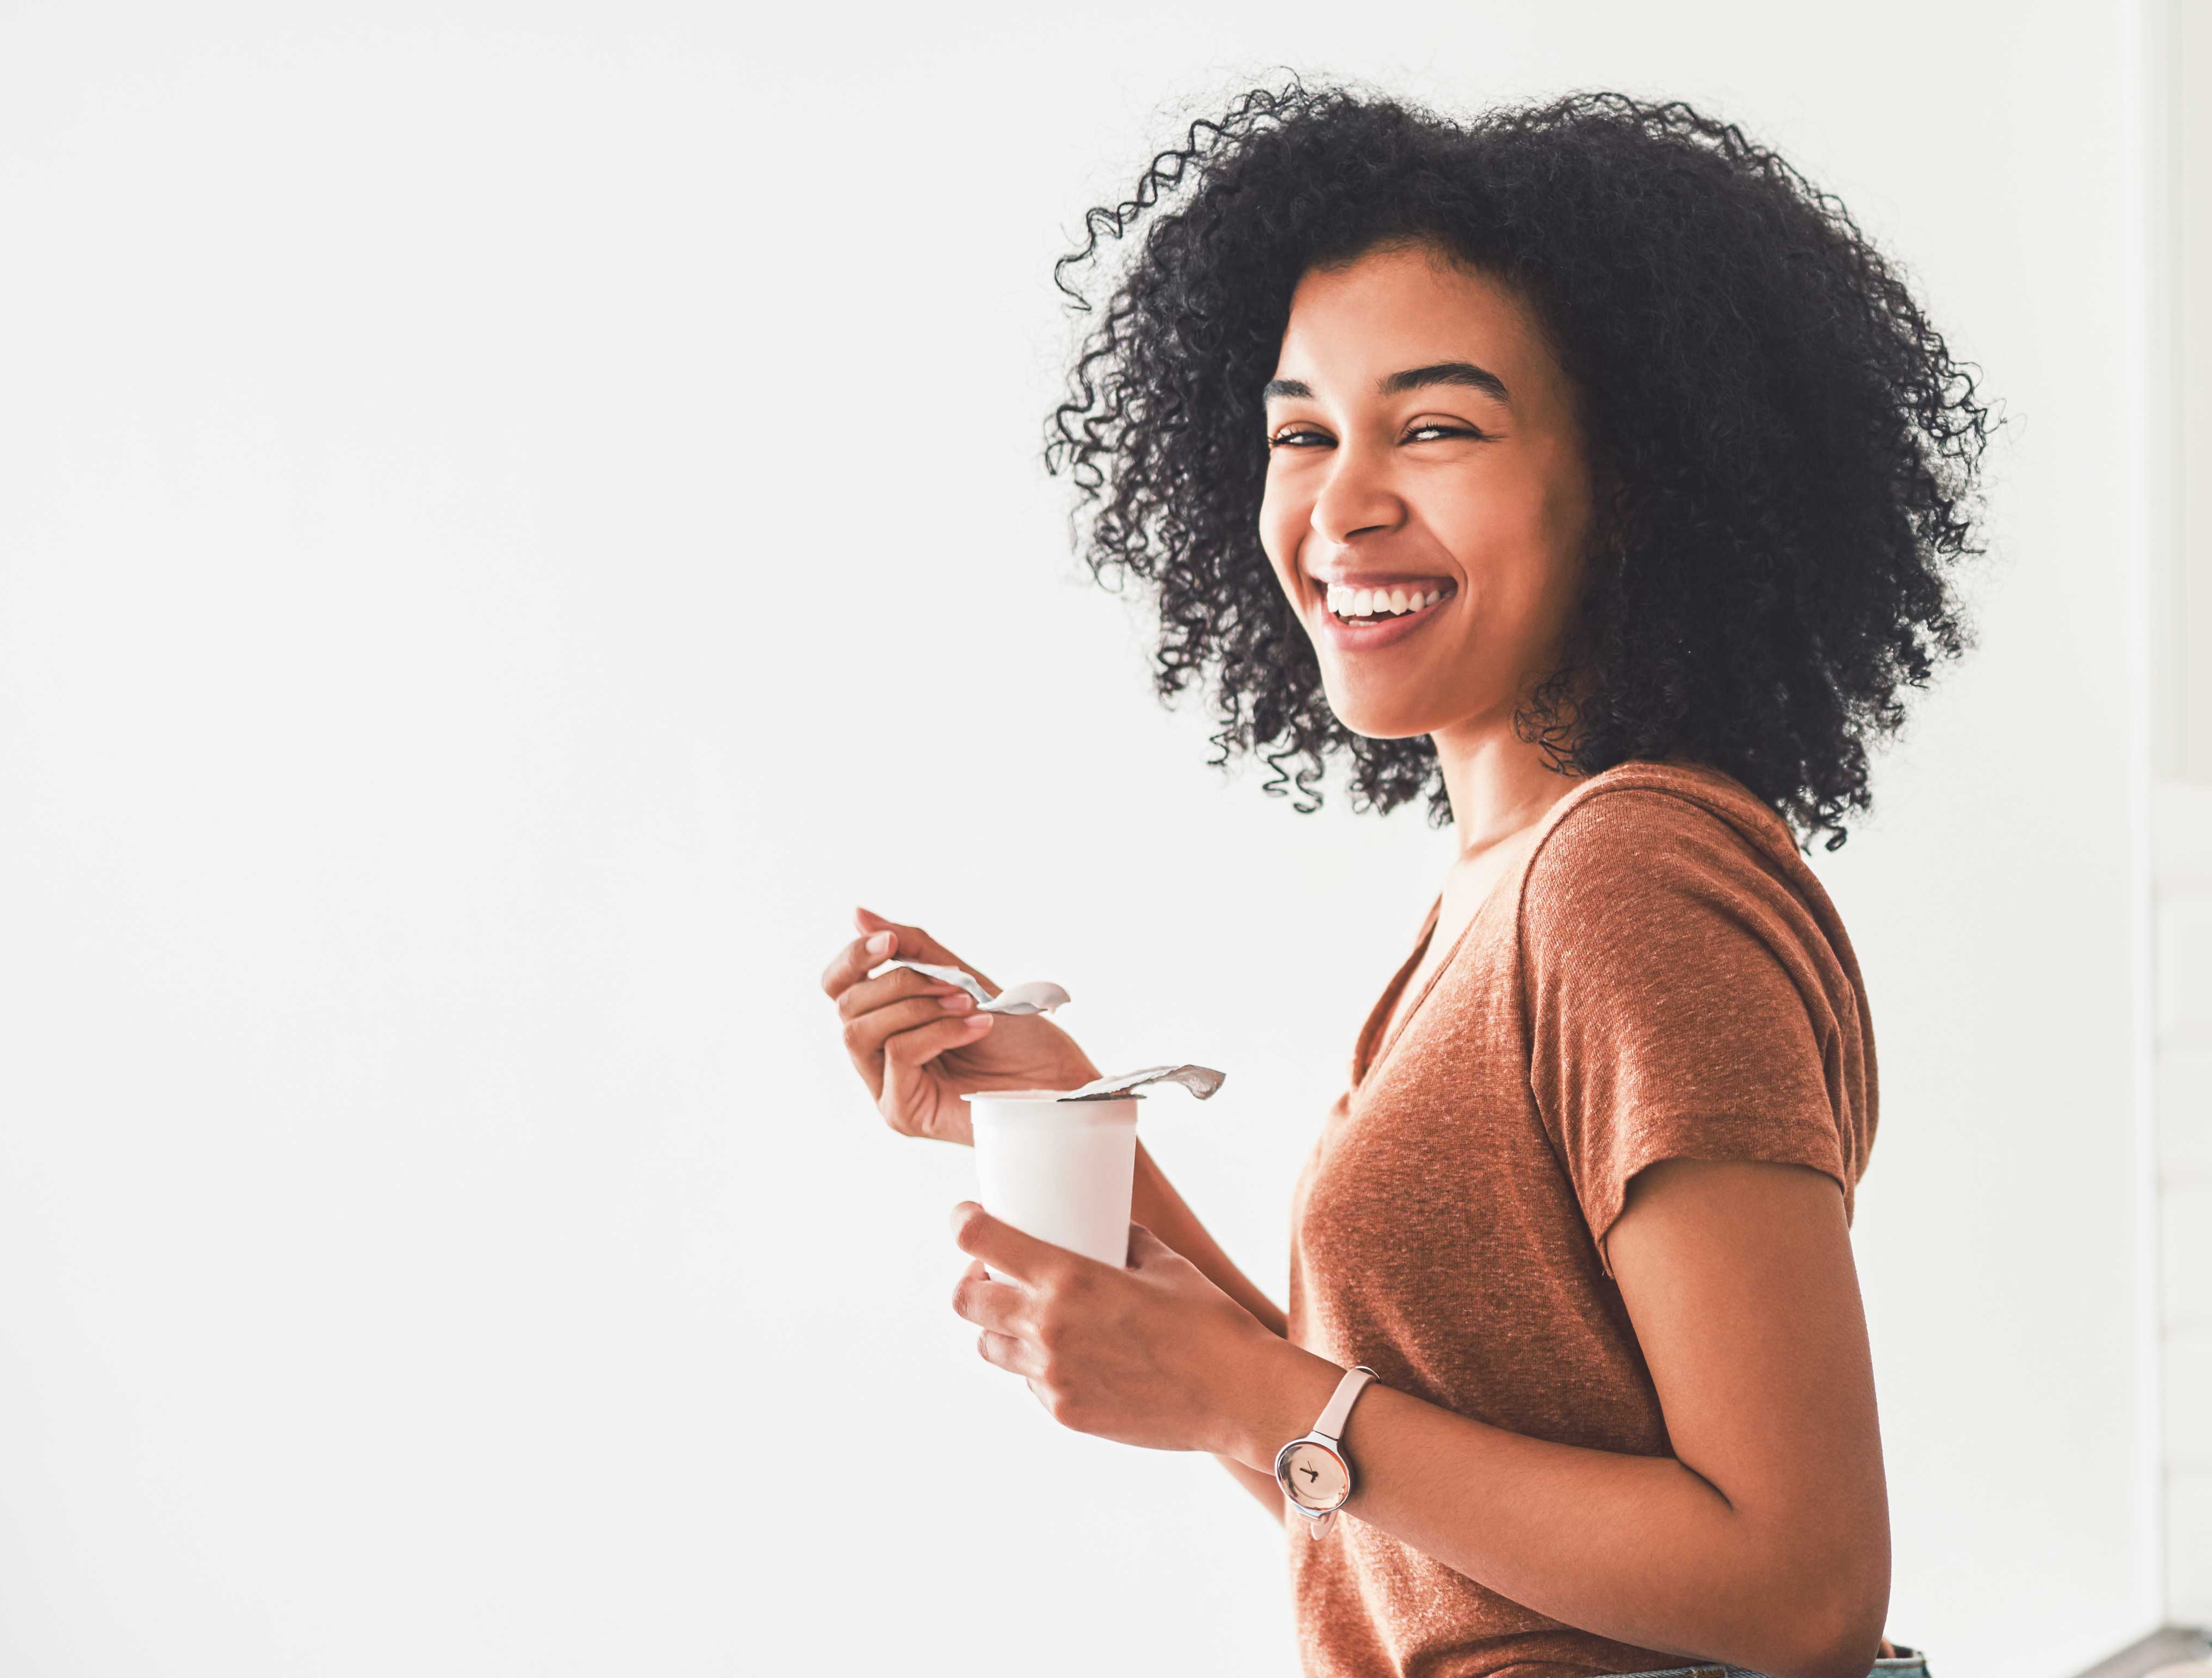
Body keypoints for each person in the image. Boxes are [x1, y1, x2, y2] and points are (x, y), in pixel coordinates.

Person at [819, 79, 1990, 1678]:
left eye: (1435, 428)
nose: (1343, 505)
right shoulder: (1503, 894)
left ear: (1635, 478)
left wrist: (1250, 1391)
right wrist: (1065, 1116)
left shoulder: (1627, 883)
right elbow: (1390, 1531)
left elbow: (1801, 1590)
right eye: (1301, 434)